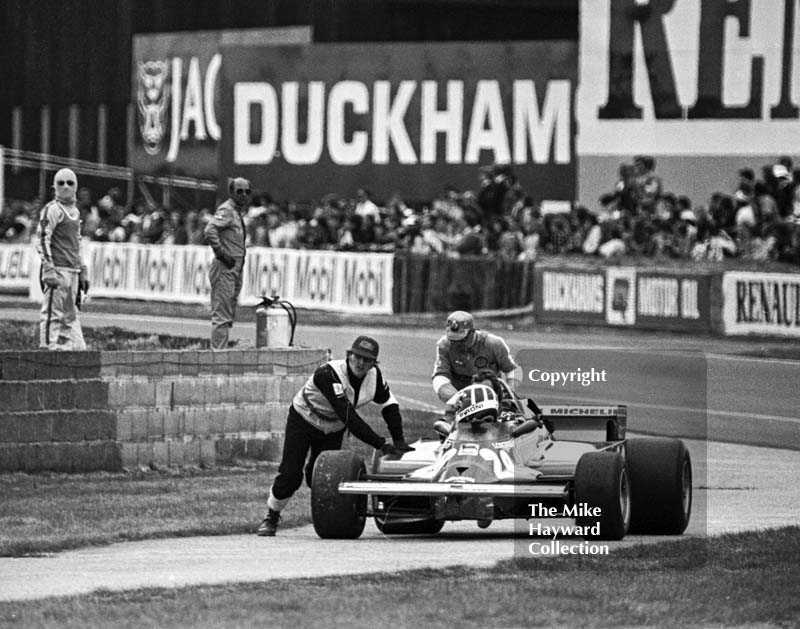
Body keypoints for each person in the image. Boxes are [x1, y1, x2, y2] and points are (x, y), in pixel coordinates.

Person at [257, 336, 413, 536]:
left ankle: (326, 517)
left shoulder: (374, 376)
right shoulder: (329, 373)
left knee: (322, 476)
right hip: (304, 418)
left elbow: (390, 405)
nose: (361, 363)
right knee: (290, 474)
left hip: (333, 426)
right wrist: (380, 444)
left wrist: (399, 440)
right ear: (349, 355)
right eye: (358, 357)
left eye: (367, 360)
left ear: (374, 363)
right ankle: (271, 515)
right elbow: (349, 417)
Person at [35, 168, 90, 350]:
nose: (65, 187)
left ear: (75, 187)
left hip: (72, 270)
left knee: (69, 315)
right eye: (61, 183)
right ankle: (47, 347)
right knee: (52, 313)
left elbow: (77, 241)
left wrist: (83, 269)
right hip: (58, 269)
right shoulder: (52, 209)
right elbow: (43, 238)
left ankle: (64, 347)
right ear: (54, 187)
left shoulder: (75, 212)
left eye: (70, 183)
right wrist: (48, 267)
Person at [431, 311, 521, 404]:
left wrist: (508, 390)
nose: (458, 343)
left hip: (492, 398)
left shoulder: (493, 344)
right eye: (453, 340)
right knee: (446, 419)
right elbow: (440, 377)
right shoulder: (445, 346)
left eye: (462, 339)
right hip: (461, 401)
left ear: (472, 332)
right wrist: (455, 398)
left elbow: (513, 370)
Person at [204, 177, 250, 349]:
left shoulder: (237, 212)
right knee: (222, 315)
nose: (244, 195)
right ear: (231, 193)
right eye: (239, 191)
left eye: (247, 191)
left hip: (235, 268)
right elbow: (210, 230)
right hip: (225, 267)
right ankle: (218, 355)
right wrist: (221, 253)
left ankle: (221, 351)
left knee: (228, 312)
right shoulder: (227, 210)